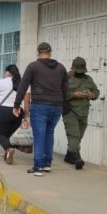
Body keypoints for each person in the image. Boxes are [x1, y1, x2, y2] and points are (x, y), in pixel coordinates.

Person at [14, 42, 69, 177]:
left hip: (40, 105)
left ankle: (38, 167)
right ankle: (46, 164)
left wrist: (16, 105)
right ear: (50, 53)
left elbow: (23, 86)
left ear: (38, 53)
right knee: (49, 133)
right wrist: (65, 107)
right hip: (56, 106)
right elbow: (66, 89)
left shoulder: (33, 66)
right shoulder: (61, 68)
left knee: (39, 135)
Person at [0, 65, 27, 165]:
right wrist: (26, 114)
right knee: (10, 134)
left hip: (4, 111)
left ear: (8, 72)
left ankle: (8, 148)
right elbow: (27, 100)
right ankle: (7, 153)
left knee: (0, 134)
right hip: (18, 111)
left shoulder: (2, 82)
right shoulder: (23, 83)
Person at [63, 57, 99, 170]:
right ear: (72, 68)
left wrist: (91, 95)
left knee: (79, 136)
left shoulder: (88, 79)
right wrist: (74, 95)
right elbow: (60, 93)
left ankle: (69, 155)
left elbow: (97, 92)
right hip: (70, 111)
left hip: (83, 112)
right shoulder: (65, 78)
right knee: (74, 135)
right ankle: (77, 158)